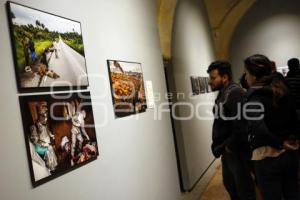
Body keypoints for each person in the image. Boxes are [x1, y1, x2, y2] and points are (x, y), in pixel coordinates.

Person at [243, 54, 299, 200]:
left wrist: (280, 143)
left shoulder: (253, 97)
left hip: (267, 157)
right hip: (290, 154)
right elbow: (295, 118)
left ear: (254, 76)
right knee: (293, 194)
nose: (245, 77)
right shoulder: (282, 89)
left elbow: (259, 130)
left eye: (247, 73)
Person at [207, 61, 256, 200]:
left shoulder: (234, 93)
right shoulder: (225, 93)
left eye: (213, 78)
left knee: (243, 190)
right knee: (231, 186)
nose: (210, 82)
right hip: (229, 151)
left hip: (237, 151)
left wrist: (228, 146)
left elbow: (241, 126)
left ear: (225, 77)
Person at [30, 104, 58, 172]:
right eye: (44, 117)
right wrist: (44, 144)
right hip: (40, 146)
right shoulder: (35, 127)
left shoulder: (44, 124)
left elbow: (47, 131)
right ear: (40, 117)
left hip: (47, 143)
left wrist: (51, 135)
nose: (46, 119)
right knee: (48, 150)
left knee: (51, 149)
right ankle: (50, 168)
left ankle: (53, 166)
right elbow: (35, 141)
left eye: (46, 117)